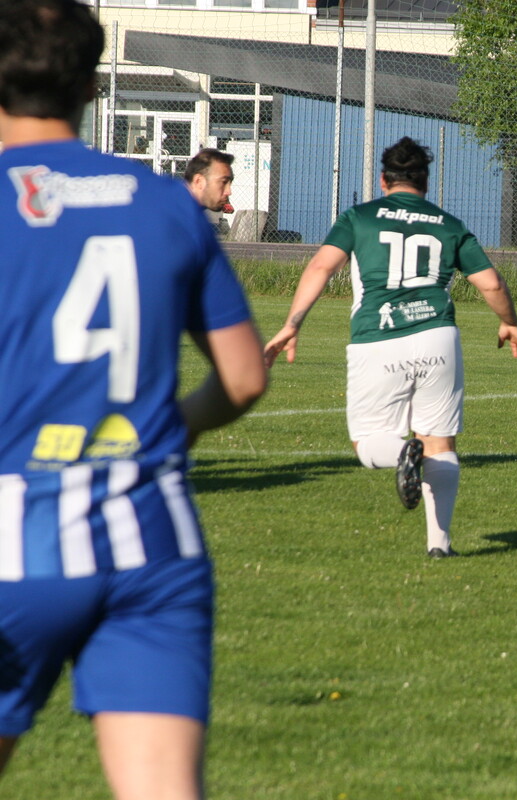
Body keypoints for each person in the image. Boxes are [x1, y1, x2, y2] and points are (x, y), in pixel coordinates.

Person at [0, 2, 268, 797]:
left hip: (19, 540)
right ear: (90, 85)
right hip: (151, 536)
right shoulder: (164, 202)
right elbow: (244, 377)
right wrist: (172, 426)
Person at [264, 136, 517, 558]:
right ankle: (439, 545)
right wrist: (509, 322)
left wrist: (292, 324)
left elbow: (321, 266)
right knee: (440, 444)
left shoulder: (359, 217)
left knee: (369, 445)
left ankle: (404, 452)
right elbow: (492, 283)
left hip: (379, 337)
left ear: (383, 181)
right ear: (425, 181)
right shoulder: (447, 224)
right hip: (437, 337)